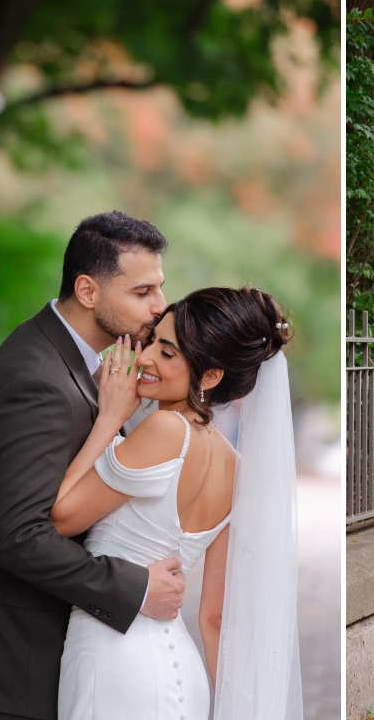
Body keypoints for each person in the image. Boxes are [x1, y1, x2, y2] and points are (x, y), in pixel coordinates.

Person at [0, 212, 183, 720]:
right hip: (12, 661)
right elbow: (18, 536)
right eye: (142, 292)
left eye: (160, 288)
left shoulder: (81, 363)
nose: (159, 306)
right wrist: (135, 587)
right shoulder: (38, 381)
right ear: (88, 291)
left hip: (39, 653)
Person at [50, 286, 301, 719]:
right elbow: (216, 618)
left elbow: (61, 518)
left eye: (167, 353)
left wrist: (110, 418)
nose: (144, 359)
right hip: (182, 672)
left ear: (210, 376)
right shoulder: (237, 467)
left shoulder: (165, 430)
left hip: (114, 658)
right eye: (151, 343)